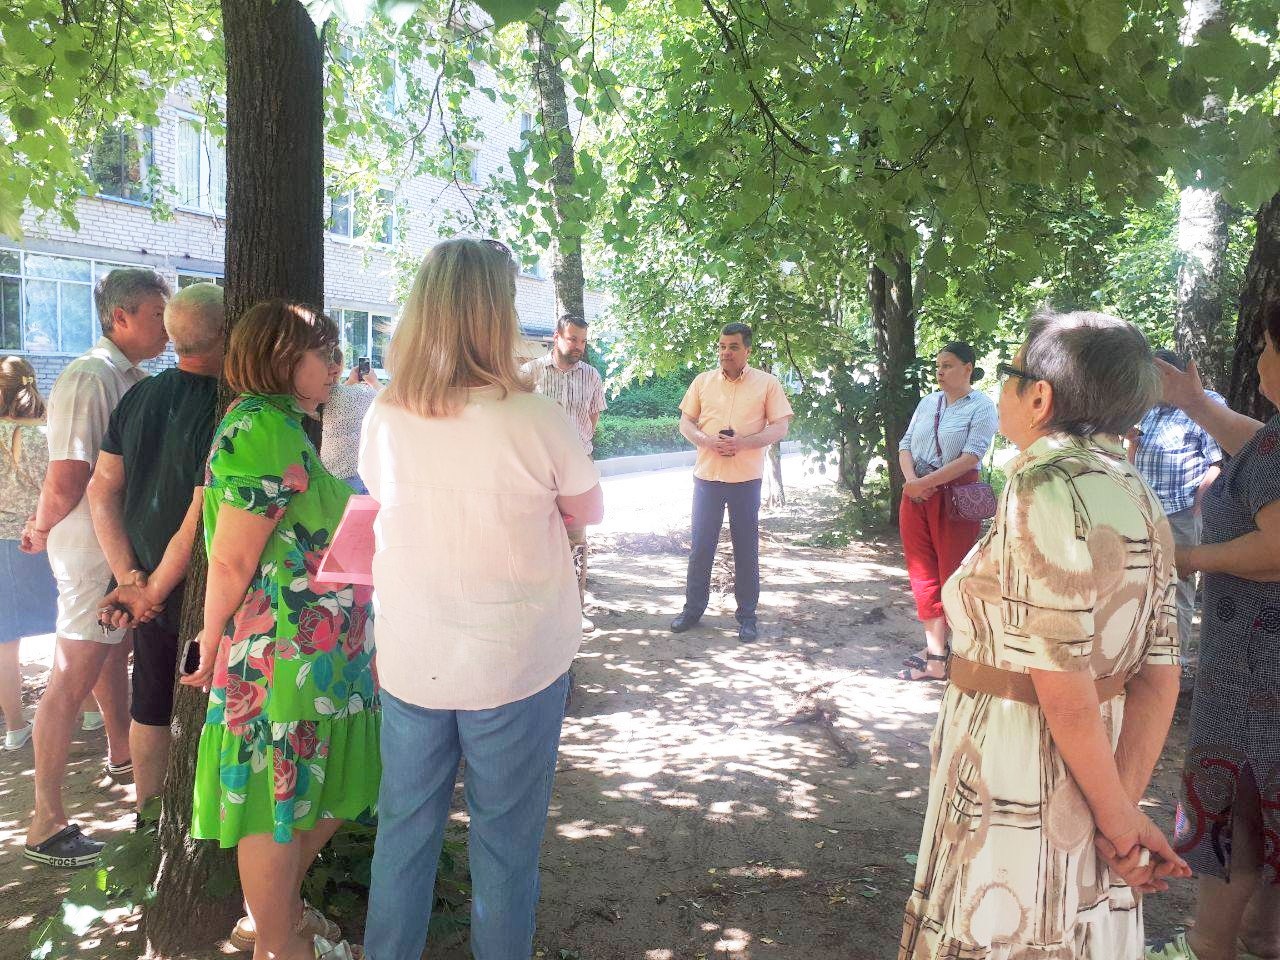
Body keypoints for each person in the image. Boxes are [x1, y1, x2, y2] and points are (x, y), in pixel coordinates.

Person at [900, 310, 1190, 959]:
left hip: (1017, 762)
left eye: (1009, 374)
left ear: (1039, 397)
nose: (1000, 389)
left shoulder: (1042, 485)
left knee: (1009, 925)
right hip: (1097, 763)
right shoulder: (1137, 490)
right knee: (1074, 924)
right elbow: (1158, 674)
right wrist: (1119, 807)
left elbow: (1063, 688)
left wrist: (1118, 822)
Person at [360, 238, 603, 960]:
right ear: (498, 314)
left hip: (414, 656)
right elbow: (587, 509)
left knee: (403, 835)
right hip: (515, 661)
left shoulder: (386, 415)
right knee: (504, 848)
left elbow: (385, 497)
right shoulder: (535, 417)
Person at [178, 301, 377, 960]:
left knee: (301, 797)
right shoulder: (262, 427)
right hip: (279, 655)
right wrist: (210, 638)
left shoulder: (281, 426)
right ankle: (277, 944)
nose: (336, 367)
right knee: (274, 802)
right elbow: (232, 558)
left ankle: (278, 919)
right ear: (283, 359)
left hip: (316, 654)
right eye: (325, 355)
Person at [22, 267, 170, 868]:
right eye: (158, 315)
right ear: (120, 317)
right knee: (72, 674)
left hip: (114, 548)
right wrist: (39, 526)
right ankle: (45, 823)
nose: (167, 327)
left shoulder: (127, 375)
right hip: (89, 550)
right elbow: (68, 475)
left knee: (111, 653)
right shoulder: (90, 376)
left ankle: (121, 755)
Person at [1144, 313, 1280, 960]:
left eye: (1267, 345)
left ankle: (1207, 945)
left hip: (1257, 665)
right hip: (1257, 656)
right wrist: (1195, 403)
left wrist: (1189, 557)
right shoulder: (1274, 439)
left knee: (1239, 798)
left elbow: (1277, 549)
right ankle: (1262, 935)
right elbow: (1260, 448)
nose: (1259, 357)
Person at [87, 283, 225, 816]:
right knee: (200, 705)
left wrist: (129, 577)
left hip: (145, 583)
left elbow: (102, 488)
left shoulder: (138, 396)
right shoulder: (227, 408)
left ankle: (149, 821)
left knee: (150, 704)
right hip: (192, 588)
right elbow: (198, 514)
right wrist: (146, 588)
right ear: (227, 333)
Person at [670, 322, 793, 643]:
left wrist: (744, 443)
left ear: (747, 350)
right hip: (707, 479)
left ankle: (747, 617)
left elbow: (780, 427)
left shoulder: (767, 384)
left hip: (745, 481)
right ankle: (692, 610)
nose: (726, 352)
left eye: (733, 347)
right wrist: (706, 441)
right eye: (722, 346)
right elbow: (685, 422)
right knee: (701, 548)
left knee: (746, 550)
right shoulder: (702, 381)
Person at [896, 341, 998, 682]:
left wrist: (926, 483)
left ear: (968, 368)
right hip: (916, 496)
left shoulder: (982, 406)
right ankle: (936, 653)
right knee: (922, 573)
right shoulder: (928, 402)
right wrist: (913, 482)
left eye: (948, 365)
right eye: (938, 365)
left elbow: (971, 456)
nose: (940, 371)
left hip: (955, 498)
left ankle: (956, 651)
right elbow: (906, 444)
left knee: (952, 575)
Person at [1128, 349, 1225, 672]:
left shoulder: (1205, 404)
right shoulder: (1150, 408)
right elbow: (1135, 453)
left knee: (1178, 585)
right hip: (1145, 510)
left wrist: (1199, 505)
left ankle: (1176, 661)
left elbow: (1216, 463)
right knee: (1142, 580)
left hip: (1182, 511)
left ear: (1173, 375)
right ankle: (1144, 654)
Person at [520, 314, 607, 631]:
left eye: (583, 341)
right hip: (537, 473)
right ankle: (537, 613)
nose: (579, 346)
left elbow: (592, 418)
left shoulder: (592, 376)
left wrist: (577, 448)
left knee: (575, 542)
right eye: (573, 339)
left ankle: (574, 611)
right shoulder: (529, 374)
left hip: (577, 472)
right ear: (556, 337)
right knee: (535, 540)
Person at [1, 357, 54, 750]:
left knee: (5, 640)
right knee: (69, 626)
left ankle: (15, 728)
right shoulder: (46, 437)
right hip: (41, 539)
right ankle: (89, 711)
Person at [319, 363, 381, 494]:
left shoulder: (321, 396)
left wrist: (351, 381)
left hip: (330, 471)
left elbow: (339, 394)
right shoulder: (365, 394)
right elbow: (391, 403)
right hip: (356, 472)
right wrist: (374, 382)